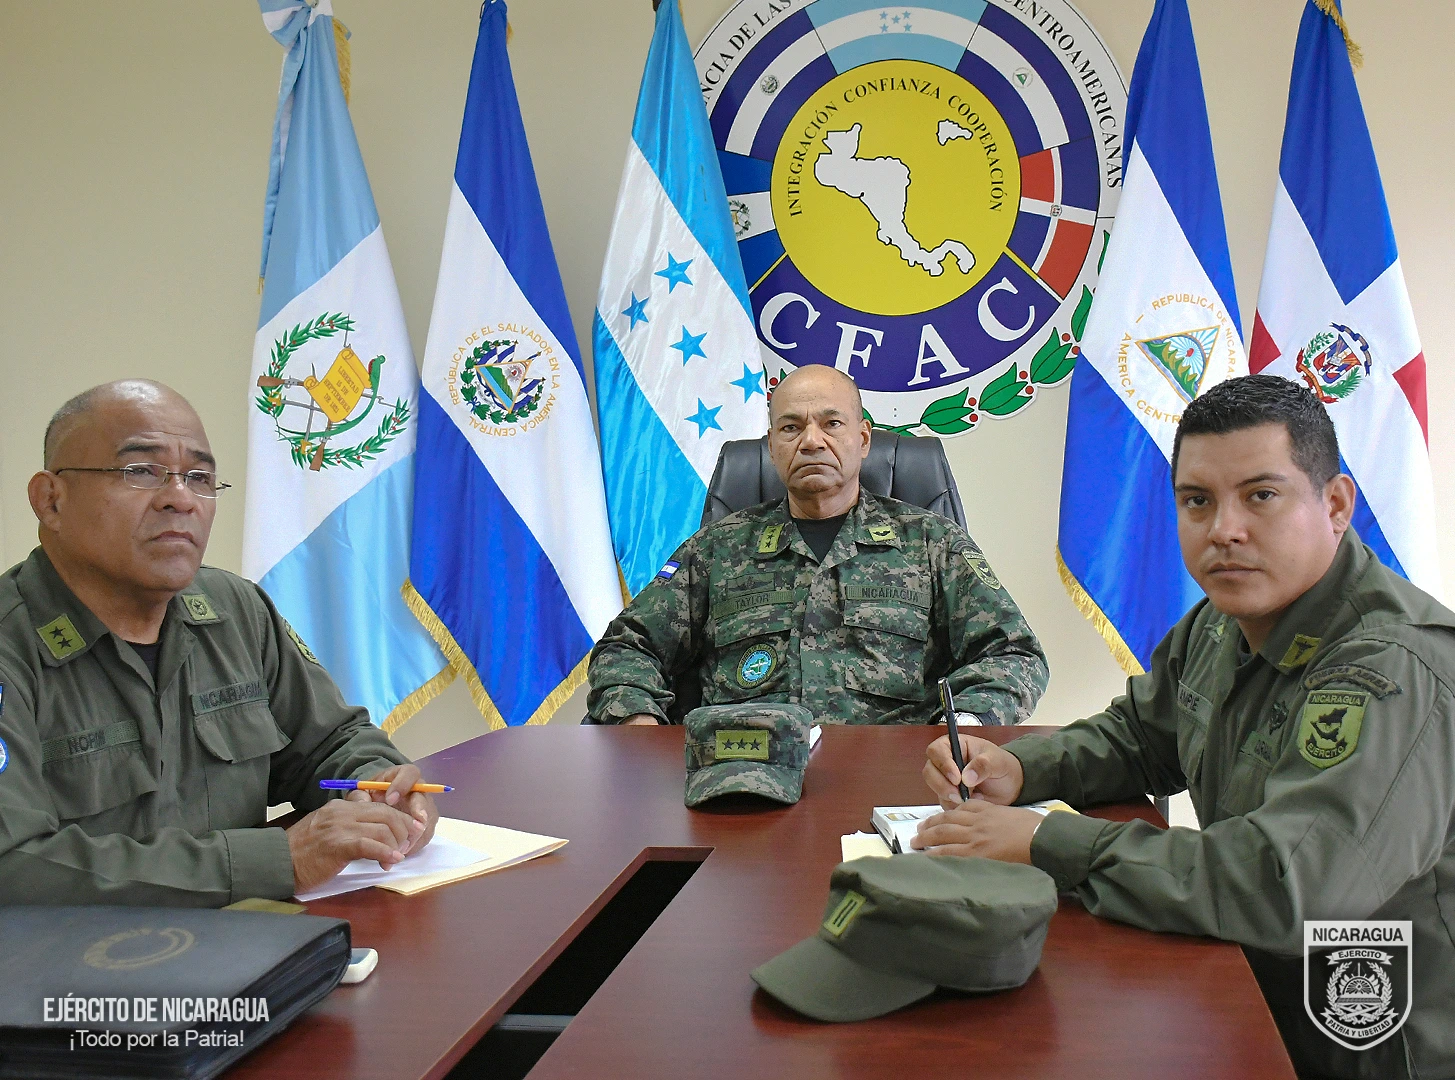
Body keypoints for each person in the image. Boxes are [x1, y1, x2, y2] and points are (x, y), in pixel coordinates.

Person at [915, 375, 1454, 1080]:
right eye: (1196, 501)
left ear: (1334, 504)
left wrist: (1049, 841)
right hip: (1243, 985)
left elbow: (1282, 886)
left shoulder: (1390, 669)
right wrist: (1022, 769)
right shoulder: (1225, 620)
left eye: (1260, 495)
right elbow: (1140, 736)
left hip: (1368, 1042)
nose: (1223, 530)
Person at [0, 380, 439, 907]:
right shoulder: (13, 645)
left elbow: (331, 745)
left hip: (256, 950)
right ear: (51, 499)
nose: (180, 499)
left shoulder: (234, 610)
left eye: (200, 478)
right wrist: (276, 861)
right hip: (76, 974)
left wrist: (380, 791)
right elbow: (14, 866)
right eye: (141, 471)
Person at [587, 364, 1048, 726]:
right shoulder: (716, 550)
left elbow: (1013, 654)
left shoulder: (932, 543)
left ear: (863, 439)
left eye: (831, 424)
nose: (811, 441)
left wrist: (962, 727)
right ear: (771, 447)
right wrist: (639, 723)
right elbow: (628, 647)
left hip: (893, 787)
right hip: (739, 787)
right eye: (791, 428)